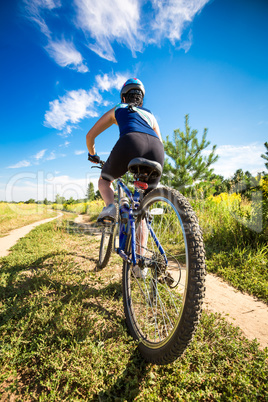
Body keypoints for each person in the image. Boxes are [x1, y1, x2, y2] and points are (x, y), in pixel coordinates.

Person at [86, 78, 165, 224]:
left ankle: (110, 208)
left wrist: (93, 155)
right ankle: (141, 244)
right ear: (141, 101)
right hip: (157, 150)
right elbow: (160, 141)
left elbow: (90, 136)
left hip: (130, 142)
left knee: (104, 180)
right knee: (143, 207)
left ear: (123, 97)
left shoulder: (118, 108)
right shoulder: (151, 115)